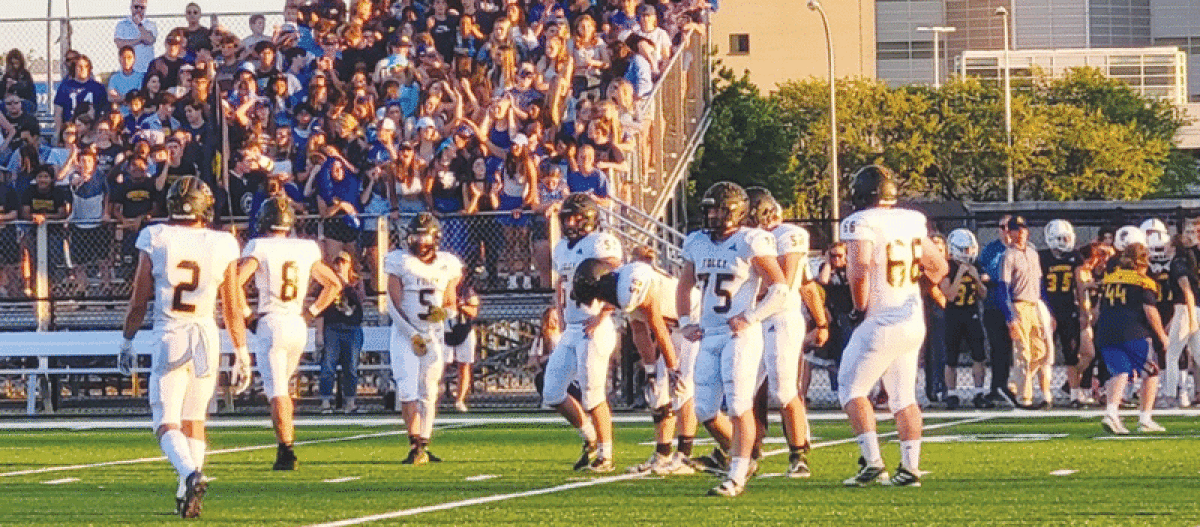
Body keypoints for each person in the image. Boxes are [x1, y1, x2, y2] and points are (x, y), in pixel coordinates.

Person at [116, 176, 251, 519]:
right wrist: (241, 350)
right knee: (194, 420)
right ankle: (186, 489)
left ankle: (190, 475)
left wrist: (127, 338)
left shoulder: (156, 236)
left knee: (165, 421)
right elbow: (233, 304)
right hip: (207, 332)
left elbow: (138, 298)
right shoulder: (223, 242)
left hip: (170, 331)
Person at [837, 165, 947, 488]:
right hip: (912, 319)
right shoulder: (911, 219)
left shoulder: (861, 222)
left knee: (851, 389)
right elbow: (938, 267)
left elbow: (858, 271)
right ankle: (910, 469)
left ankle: (872, 463)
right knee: (903, 398)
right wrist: (915, 290)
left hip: (881, 320)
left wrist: (859, 308)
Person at [677, 181, 789, 497]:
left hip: (739, 334)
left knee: (740, 405)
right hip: (709, 334)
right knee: (704, 411)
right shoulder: (697, 242)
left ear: (735, 211)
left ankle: (736, 475)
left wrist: (751, 316)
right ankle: (746, 455)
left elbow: (780, 289)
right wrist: (686, 321)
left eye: (717, 209)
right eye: (709, 208)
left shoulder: (751, 241)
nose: (711, 215)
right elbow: (684, 285)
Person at [572, 249, 698, 476]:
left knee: (681, 389)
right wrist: (651, 370)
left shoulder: (629, 286)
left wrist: (673, 368)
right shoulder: (621, 287)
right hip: (674, 327)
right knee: (659, 390)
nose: (598, 301)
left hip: (692, 321)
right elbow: (639, 330)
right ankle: (662, 454)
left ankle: (684, 457)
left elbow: (658, 328)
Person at [237, 196, 341, 471]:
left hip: (272, 322)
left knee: (277, 391)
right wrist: (311, 313)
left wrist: (247, 316)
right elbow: (333, 284)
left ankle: (286, 450)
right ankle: (286, 441)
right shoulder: (306, 247)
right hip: (297, 322)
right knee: (283, 386)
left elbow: (234, 283)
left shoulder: (259, 246)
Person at [743, 187, 828, 478]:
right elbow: (807, 283)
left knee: (783, 390)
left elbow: (792, 282)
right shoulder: (746, 239)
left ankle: (798, 452)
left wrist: (821, 322)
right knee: (743, 391)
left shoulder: (787, 235)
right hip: (752, 320)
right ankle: (748, 451)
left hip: (780, 317)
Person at [544, 192, 623, 472]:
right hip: (573, 327)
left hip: (594, 325)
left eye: (575, 217)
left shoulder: (601, 243)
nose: (569, 223)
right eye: (566, 217)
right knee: (552, 392)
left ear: (589, 218)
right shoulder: (562, 248)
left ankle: (606, 455)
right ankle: (589, 438)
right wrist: (560, 314)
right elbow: (560, 285)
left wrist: (604, 314)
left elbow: (620, 282)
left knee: (592, 394)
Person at [385, 212, 464, 464]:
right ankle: (414, 443)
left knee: (429, 391)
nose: (419, 240)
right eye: (415, 234)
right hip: (405, 334)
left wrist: (442, 314)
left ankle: (424, 444)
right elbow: (392, 303)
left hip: (432, 334)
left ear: (435, 237)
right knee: (407, 391)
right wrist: (412, 333)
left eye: (424, 234)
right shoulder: (400, 261)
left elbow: (451, 303)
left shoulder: (447, 263)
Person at [1095, 242, 1167, 434]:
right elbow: (1150, 311)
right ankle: (1145, 419)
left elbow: (1097, 309)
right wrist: (1162, 336)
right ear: (1144, 260)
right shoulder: (1143, 281)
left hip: (1106, 331)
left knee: (1119, 372)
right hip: (1133, 332)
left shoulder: (1110, 278)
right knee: (1151, 371)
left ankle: (1111, 413)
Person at [997, 215, 1054, 409]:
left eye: (1023, 229)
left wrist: (1048, 311)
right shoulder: (1008, 256)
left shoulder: (1032, 253)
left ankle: (1013, 385)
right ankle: (1024, 397)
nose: (1020, 233)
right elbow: (1003, 288)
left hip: (1034, 304)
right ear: (1010, 233)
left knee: (1040, 351)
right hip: (1019, 304)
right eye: (1016, 230)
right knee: (1023, 352)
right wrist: (1010, 317)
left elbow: (1040, 285)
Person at [1144, 220, 1198, 408]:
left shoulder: (1177, 264)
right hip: (1189, 310)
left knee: (1172, 355)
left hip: (1185, 310)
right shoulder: (1183, 262)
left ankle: (1171, 394)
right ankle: (1175, 393)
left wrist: (1191, 320)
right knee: (1197, 355)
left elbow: (1187, 292)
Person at [942, 228, 990, 409]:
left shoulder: (976, 266)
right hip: (954, 315)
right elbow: (950, 295)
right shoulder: (948, 268)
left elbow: (983, 294)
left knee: (979, 355)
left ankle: (979, 392)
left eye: (969, 249)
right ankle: (952, 394)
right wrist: (960, 275)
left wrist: (977, 280)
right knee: (951, 358)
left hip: (972, 313)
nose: (967, 254)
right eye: (964, 250)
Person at [1040, 219, 1085, 406]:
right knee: (1045, 354)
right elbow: (1038, 286)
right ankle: (1045, 395)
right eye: (1061, 238)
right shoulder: (1041, 257)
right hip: (1048, 308)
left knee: (1072, 353)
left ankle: (1075, 394)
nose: (1066, 241)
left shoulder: (1075, 257)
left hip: (1068, 309)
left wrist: (1084, 310)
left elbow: (1080, 285)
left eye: (1067, 237)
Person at [318, 250, 366, 414]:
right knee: (328, 366)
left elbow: (360, 300)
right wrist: (319, 333)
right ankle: (325, 402)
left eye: (343, 262)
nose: (339, 265)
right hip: (333, 327)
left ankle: (350, 403)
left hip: (352, 328)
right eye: (337, 262)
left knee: (351, 367)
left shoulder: (356, 282)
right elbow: (321, 308)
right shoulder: (327, 283)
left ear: (349, 264)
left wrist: (344, 283)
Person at [978, 216, 1016, 407]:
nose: (1006, 231)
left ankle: (1015, 387)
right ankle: (997, 387)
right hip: (995, 305)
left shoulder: (1023, 249)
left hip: (1016, 305)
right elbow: (986, 274)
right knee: (998, 348)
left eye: (1010, 227)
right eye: (1002, 227)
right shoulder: (991, 249)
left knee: (1017, 350)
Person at [446, 278, 481, 413]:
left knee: (464, 365)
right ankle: (436, 396)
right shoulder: (440, 287)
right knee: (440, 365)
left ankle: (460, 400)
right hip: (445, 328)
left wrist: (460, 305)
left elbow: (473, 312)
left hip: (464, 328)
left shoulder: (467, 291)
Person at [113, 0, 159, 73]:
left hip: (146, 69)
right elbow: (120, 44)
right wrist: (138, 40)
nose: (139, 10)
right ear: (131, 7)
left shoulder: (151, 24)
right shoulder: (122, 24)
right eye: (136, 7)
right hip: (128, 71)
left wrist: (139, 24)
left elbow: (150, 40)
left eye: (142, 7)